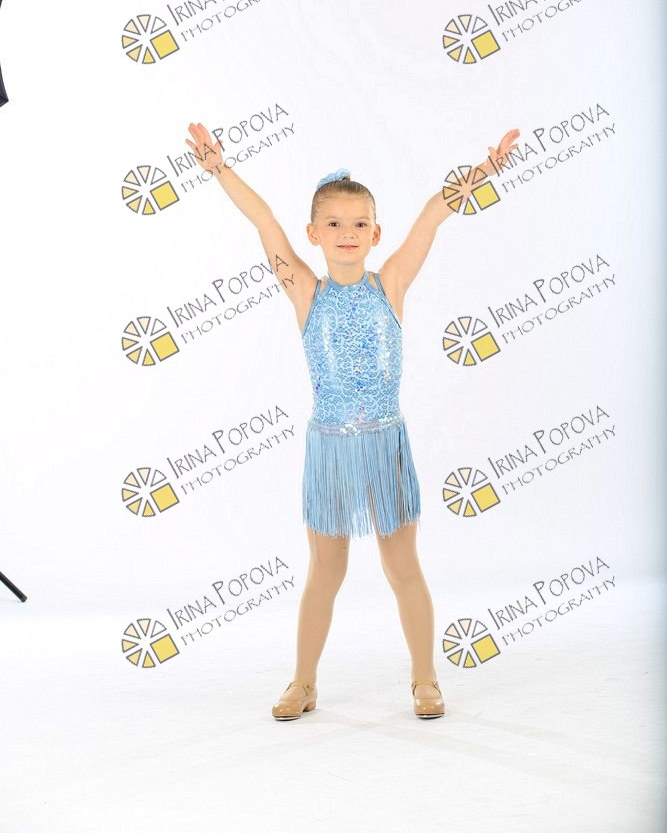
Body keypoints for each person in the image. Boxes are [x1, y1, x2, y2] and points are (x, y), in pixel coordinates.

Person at [185, 121, 520, 720]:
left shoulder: (391, 283)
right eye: (334, 224)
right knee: (325, 570)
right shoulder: (304, 292)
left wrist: (483, 172)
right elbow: (263, 221)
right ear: (313, 234)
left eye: (359, 224)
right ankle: (303, 682)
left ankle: (425, 677)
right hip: (330, 449)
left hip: (386, 444)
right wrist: (219, 169)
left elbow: (433, 214)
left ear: (375, 233)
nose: (347, 234)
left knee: (403, 566)